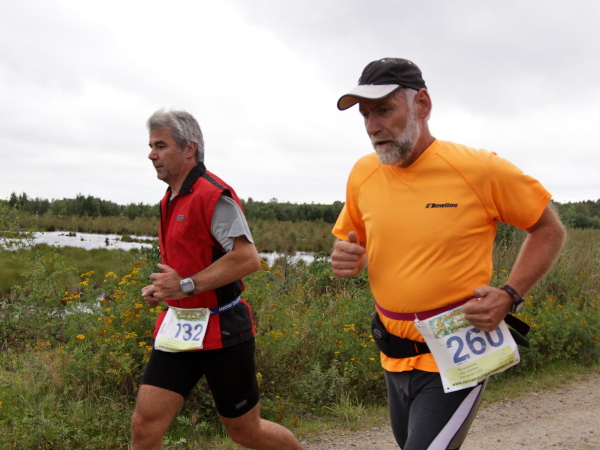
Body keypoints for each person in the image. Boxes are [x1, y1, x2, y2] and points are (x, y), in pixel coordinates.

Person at [331, 58, 566, 450]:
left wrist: (509, 295)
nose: (372, 127)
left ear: (422, 104)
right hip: (393, 355)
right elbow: (359, 244)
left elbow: (548, 229)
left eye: (384, 110)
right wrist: (351, 258)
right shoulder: (363, 173)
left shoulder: (478, 170)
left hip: (459, 355)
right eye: (365, 115)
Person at [130, 109, 303, 450]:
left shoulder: (213, 196)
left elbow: (247, 258)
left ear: (189, 149)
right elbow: (189, 264)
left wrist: (185, 286)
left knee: (246, 432)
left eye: (161, 146)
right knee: (144, 427)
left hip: (223, 331)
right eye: (151, 146)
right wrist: (163, 290)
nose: (151, 155)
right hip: (179, 328)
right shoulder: (170, 199)